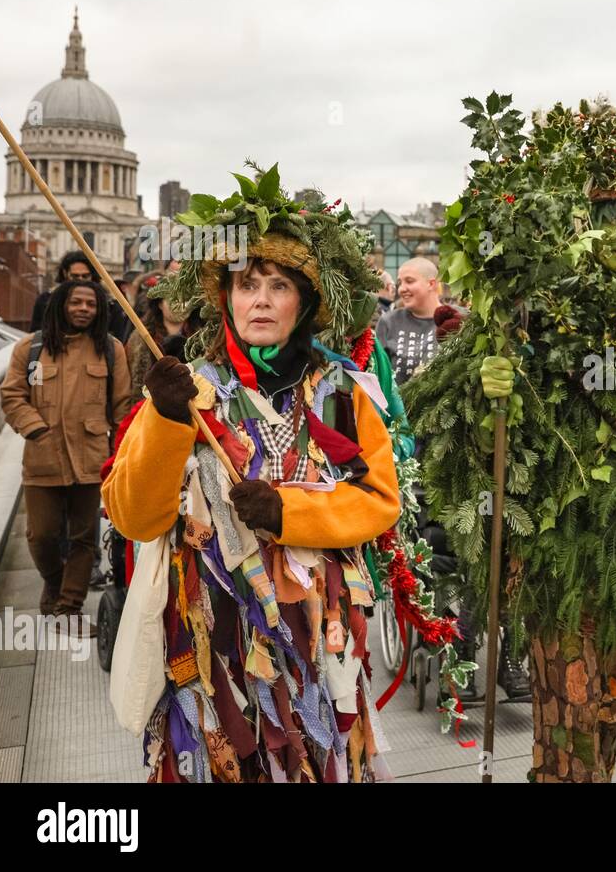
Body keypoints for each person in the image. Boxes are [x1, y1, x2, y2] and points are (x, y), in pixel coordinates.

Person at [405, 95, 616, 781]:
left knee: (607, 711)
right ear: (586, 220)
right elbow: (449, 432)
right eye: (608, 218)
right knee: (566, 714)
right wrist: (486, 386)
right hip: (555, 557)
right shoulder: (538, 304)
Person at [102, 164, 401, 782]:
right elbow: (134, 516)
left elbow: (379, 500)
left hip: (317, 638)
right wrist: (162, 418)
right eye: (245, 285)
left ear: (306, 301)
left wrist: (292, 514)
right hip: (217, 646)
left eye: (277, 285)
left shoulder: (343, 392)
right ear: (225, 300)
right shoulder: (189, 391)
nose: (260, 299)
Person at [1, 278, 132, 622]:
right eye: (76, 302)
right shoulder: (30, 349)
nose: (84, 309)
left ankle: (69, 606)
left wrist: (122, 455)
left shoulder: (111, 350)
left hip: (91, 459)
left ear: (99, 309)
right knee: (40, 535)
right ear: (60, 304)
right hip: (42, 457)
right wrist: (36, 429)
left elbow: (121, 407)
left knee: (84, 537)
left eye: (91, 304)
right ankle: (55, 584)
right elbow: (12, 396)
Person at [375, 257, 441, 385]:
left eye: (409, 281)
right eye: (400, 283)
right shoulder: (389, 322)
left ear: (431, 284)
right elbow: (378, 377)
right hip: (398, 403)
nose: (401, 289)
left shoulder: (458, 318)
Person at [29, 249, 93, 333]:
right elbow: (36, 336)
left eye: (85, 276)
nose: (80, 281)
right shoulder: (45, 300)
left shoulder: (109, 305)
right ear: (65, 273)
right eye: (75, 276)